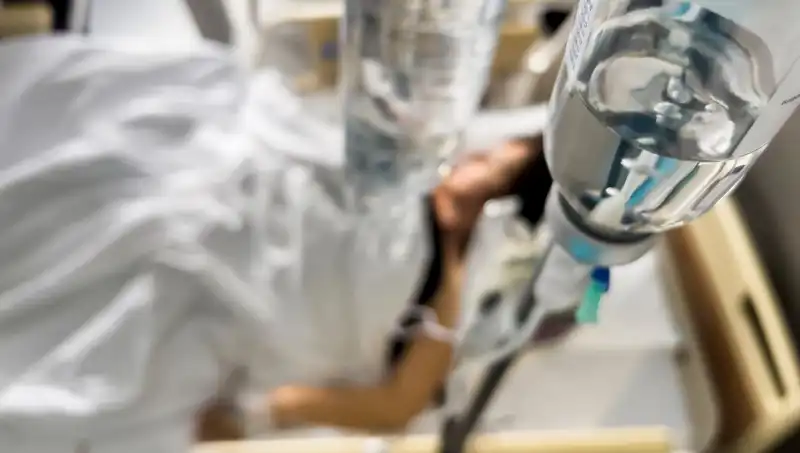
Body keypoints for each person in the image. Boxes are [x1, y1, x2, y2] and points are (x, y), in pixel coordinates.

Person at [0, 36, 540, 452]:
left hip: (259, 295)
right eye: (487, 157)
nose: (475, 167)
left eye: (493, 176)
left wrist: (256, 416)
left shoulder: (448, 294)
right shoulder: (412, 167)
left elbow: (397, 404)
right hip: (250, 187)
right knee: (137, 178)